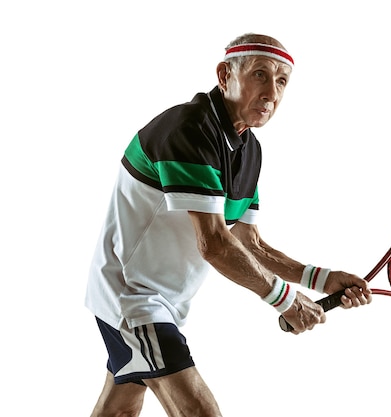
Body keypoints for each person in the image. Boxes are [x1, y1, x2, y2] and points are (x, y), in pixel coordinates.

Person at [86, 33, 373, 417]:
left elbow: (250, 243)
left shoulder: (248, 150)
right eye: (260, 74)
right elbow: (216, 244)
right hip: (130, 298)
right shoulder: (189, 131)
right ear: (225, 75)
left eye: (282, 81)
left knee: (119, 410)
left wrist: (322, 280)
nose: (272, 91)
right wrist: (285, 300)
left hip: (165, 304)